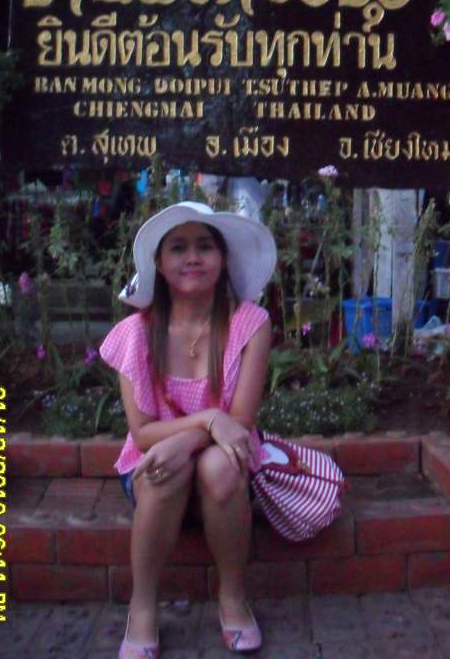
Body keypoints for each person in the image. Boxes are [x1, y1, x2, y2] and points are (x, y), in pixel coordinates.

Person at [99, 200, 277, 658]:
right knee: (165, 469)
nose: (192, 257)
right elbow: (142, 434)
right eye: (178, 248)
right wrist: (206, 419)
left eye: (204, 247)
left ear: (223, 259)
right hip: (156, 463)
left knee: (218, 466)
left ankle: (233, 597)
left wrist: (196, 435)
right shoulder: (136, 333)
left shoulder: (250, 324)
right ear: (159, 263)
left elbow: (241, 420)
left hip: (227, 461)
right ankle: (142, 607)